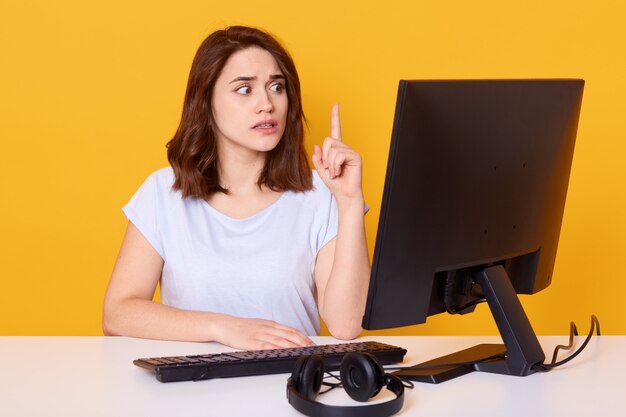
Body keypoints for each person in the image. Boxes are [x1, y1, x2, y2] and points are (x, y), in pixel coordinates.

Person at [102, 26, 370, 351]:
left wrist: (349, 202)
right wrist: (224, 327)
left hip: (289, 386)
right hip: (189, 390)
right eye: (244, 90)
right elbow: (117, 315)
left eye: (277, 87)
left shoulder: (319, 195)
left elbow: (346, 325)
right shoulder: (162, 192)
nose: (267, 104)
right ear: (206, 103)